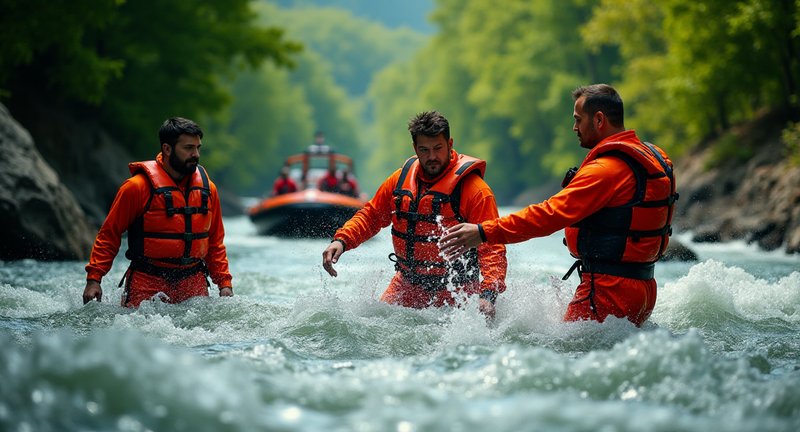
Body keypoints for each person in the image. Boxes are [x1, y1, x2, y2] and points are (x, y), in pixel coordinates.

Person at [441, 84, 677, 327]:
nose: (574, 127)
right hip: (644, 289)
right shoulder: (655, 157)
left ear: (598, 120)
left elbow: (548, 215)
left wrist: (482, 232)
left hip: (608, 293)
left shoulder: (605, 171)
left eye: (578, 119)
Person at [322, 111, 507, 318]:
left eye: (438, 148)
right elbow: (371, 216)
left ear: (450, 143)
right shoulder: (399, 180)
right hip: (408, 284)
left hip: (459, 288)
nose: (432, 157)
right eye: (424, 150)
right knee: (376, 325)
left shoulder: (476, 191)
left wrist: (488, 294)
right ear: (415, 149)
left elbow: (492, 247)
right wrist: (341, 241)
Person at [82, 117, 234, 307]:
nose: (195, 154)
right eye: (188, 148)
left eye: (198, 148)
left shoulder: (208, 189)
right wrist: (94, 279)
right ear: (167, 149)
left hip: (193, 281)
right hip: (147, 280)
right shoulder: (136, 188)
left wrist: (224, 284)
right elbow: (109, 234)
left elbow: (215, 242)